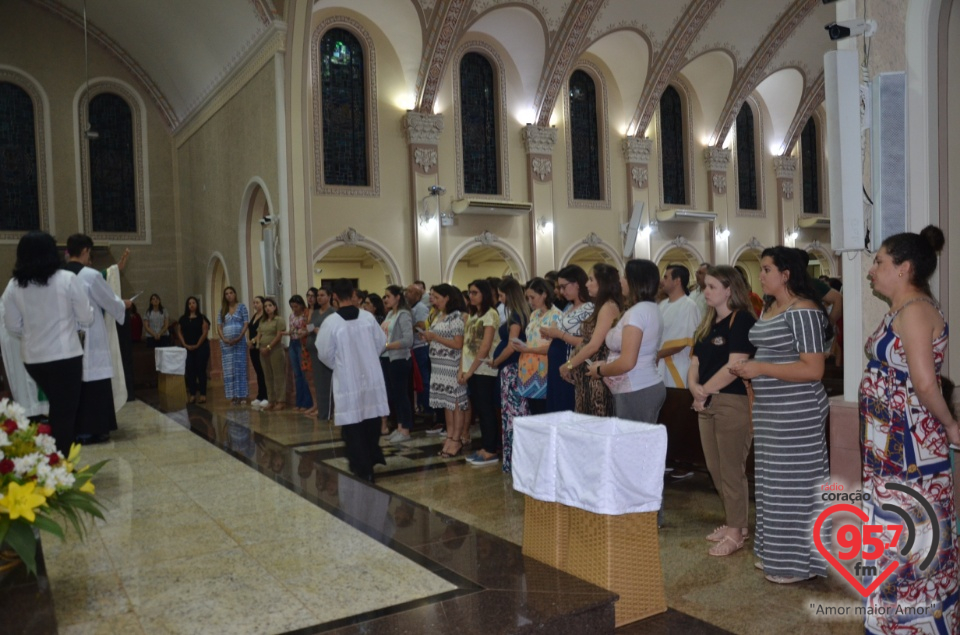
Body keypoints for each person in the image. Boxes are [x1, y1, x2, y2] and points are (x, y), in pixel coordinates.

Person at [859, 226, 958, 633]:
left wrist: (951, 424)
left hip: (910, 451)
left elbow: (924, 382)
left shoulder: (916, 310)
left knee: (912, 538)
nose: (871, 270)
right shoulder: (903, 309)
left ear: (904, 268)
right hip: (891, 449)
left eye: (880, 261)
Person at [730, 246, 832, 585]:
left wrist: (759, 367)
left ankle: (798, 563)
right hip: (772, 409)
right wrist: (750, 375)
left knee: (795, 487)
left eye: (766, 269)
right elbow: (768, 353)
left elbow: (814, 369)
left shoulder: (804, 311)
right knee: (772, 485)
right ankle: (776, 554)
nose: (760, 275)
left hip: (798, 411)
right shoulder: (772, 308)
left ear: (786, 274)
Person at [686, 266, 757, 557]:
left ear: (729, 290)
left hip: (731, 401)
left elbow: (735, 366)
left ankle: (737, 531)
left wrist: (703, 392)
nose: (706, 291)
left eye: (712, 286)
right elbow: (694, 364)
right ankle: (732, 522)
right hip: (706, 401)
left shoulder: (742, 321)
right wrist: (694, 388)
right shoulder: (707, 324)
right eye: (706, 286)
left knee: (731, 469)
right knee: (715, 469)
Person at [2, 231, 94, 451]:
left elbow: (12, 325)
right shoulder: (66, 279)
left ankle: (54, 460)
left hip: (34, 359)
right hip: (66, 357)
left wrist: (35, 331)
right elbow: (86, 317)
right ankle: (61, 464)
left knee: (57, 409)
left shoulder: (14, 285)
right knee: (65, 414)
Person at [316, 278, 389, 482]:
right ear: (353, 294)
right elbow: (381, 343)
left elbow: (324, 353)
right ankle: (370, 460)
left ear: (335, 297)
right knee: (371, 419)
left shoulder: (331, 322)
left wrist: (341, 365)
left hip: (348, 380)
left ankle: (362, 467)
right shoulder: (367, 318)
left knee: (353, 426)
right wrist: (367, 360)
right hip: (371, 377)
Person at [64, 233, 130, 443]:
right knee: (94, 382)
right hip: (90, 337)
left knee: (74, 385)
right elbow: (110, 300)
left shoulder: (57, 276)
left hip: (65, 340)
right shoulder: (90, 276)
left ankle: (74, 430)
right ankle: (94, 429)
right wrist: (123, 305)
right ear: (85, 251)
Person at [587, 259, 665, 424]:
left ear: (635, 281)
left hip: (637, 389)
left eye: (624, 277)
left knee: (633, 445)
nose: (621, 281)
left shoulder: (637, 313)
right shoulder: (650, 307)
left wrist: (600, 370)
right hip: (640, 386)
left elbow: (628, 362)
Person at [560, 263, 622, 416]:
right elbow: (586, 341)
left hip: (596, 379)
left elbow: (594, 345)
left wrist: (568, 365)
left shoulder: (608, 307)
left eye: (591, 279)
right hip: (586, 376)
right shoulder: (600, 306)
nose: (586, 284)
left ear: (603, 283)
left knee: (595, 423)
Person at [487, 278, 530, 472]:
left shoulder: (515, 316)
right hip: (511, 366)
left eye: (502, 294)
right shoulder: (517, 313)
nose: (500, 298)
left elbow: (513, 344)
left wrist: (496, 361)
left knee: (511, 412)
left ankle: (514, 457)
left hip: (511, 367)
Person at [421, 284, 468, 458]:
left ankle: (457, 439)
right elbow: (437, 339)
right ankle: (449, 436)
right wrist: (428, 337)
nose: (434, 300)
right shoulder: (439, 316)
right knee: (446, 405)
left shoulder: (456, 317)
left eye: (437, 297)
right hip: (439, 367)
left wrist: (435, 337)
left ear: (447, 297)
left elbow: (458, 344)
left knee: (455, 404)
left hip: (452, 366)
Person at [540, 265, 592, 413]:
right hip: (557, 365)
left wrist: (558, 334)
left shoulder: (589, 308)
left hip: (571, 363)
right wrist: (551, 333)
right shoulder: (569, 306)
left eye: (564, 286)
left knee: (566, 407)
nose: (561, 292)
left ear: (577, 283)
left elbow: (588, 342)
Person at [460, 279, 501, 466]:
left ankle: (490, 450)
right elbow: (466, 346)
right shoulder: (472, 316)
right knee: (479, 409)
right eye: (470, 292)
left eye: (475, 292)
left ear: (484, 294)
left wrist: (470, 372)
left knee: (486, 411)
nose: (471, 296)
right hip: (472, 369)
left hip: (484, 369)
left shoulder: (490, 315)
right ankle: (485, 446)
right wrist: (462, 369)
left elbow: (484, 348)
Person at [514, 278, 562, 416]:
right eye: (527, 298)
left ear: (544, 294)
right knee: (533, 412)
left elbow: (553, 347)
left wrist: (528, 349)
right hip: (528, 370)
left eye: (532, 297)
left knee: (544, 412)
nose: (530, 301)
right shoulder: (534, 314)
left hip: (544, 370)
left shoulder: (556, 316)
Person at [657, 264, 701, 389]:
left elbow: (683, 341)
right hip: (660, 366)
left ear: (677, 281)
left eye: (666, 277)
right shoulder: (662, 305)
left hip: (678, 367)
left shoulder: (688, 306)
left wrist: (657, 355)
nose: (662, 281)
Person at [381, 285, 414, 443]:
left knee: (402, 395)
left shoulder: (404, 314)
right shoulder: (389, 314)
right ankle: (400, 426)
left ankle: (406, 429)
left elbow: (408, 340)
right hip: (387, 359)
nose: (385, 299)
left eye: (388, 296)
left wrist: (387, 346)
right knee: (394, 395)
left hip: (400, 359)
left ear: (397, 297)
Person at [406, 283, 434, 424]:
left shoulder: (421, 308)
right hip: (414, 347)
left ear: (417, 295)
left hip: (421, 347)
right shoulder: (411, 308)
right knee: (418, 380)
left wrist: (407, 328)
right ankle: (423, 407)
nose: (406, 294)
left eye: (410, 292)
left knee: (424, 379)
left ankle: (429, 409)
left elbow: (422, 325)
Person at [306, 286, 335, 420]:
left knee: (327, 382)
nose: (319, 297)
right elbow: (309, 326)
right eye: (318, 295)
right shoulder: (316, 312)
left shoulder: (333, 312)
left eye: (322, 295)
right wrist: (311, 329)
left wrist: (321, 331)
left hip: (326, 351)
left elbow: (333, 331)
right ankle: (321, 409)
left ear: (329, 297)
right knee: (318, 382)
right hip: (313, 350)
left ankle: (328, 411)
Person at [217, 286, 249, 405]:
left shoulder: (242, 307)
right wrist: (224, 338)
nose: (229, 295)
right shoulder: (222, 310)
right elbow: (219, 326)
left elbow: (246, 323)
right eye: (226, 294)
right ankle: (233, 395)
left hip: (239, 342)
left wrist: (240, 336)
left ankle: (242, 395)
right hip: (226, 345)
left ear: (235, 294)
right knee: (229, 369)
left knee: (240, 367)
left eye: (231, 293)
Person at [178, 296, 211, 404]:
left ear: (197, 305)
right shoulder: (183, 319)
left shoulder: (202, 318)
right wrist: (185, 344)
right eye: (189, 303)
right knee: (190, 371)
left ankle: (203, 394)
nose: (192, 305)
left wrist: (197, 344)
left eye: (194, 303)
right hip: (187, 348)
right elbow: (179, 332)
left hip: (201, 347)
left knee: (201, 370)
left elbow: (205, 332)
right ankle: (192, 394)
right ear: (187, 306)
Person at [256, 297, 286, 410]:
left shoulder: (278, 320)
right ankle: (271, 400)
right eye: (265, 306)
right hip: (263, 352)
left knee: (278, 376)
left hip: (275, 350)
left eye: (269, 305)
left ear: (274, 307)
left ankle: (281, 400)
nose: (267, 308)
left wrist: (268, 347)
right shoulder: (262, 321)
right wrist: (259, 346)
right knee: (267, 376)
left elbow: (279, 335)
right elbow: (259, 334)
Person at [287, 294, 314, 412]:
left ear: (301, 305)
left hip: (302, 344)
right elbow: (291, 329)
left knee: (304, 374)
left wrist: (302, 332)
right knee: (296, 374)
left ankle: (307, 402)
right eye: (292, 307)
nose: (294, 309)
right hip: (293, 343)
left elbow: (311, 327)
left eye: (296, 306)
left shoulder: (306, 314)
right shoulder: (291, 316)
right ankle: (299, 401)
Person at [247, 296, 268, 409]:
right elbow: (250, 329)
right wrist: (249, 342)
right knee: (258, 372)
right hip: (253, 347)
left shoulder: (264, 317)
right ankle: (260, 395)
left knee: (263, 371)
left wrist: (253, 341)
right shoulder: (255, 316)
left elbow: (262, 331)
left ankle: (266, 396)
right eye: (254, 303)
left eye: (258, 302)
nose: (255, 305)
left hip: (260, 345)